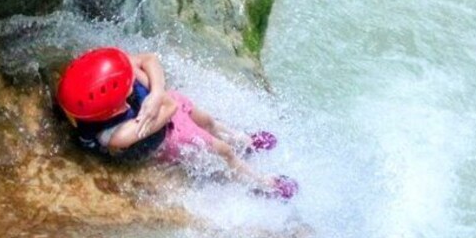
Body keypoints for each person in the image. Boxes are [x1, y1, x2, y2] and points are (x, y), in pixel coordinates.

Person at [56, 47, 297, 199]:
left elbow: (148, 59)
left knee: (208, 120)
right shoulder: (118, 135)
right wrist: (155, 96)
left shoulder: (103, 78)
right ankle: (263, 183)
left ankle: (244, 140)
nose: (130, 79)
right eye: (127, 84)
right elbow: (169, 108)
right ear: (115, 108)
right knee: (222, 151)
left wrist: (154, 91)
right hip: (168, 135)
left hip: (159, 106)